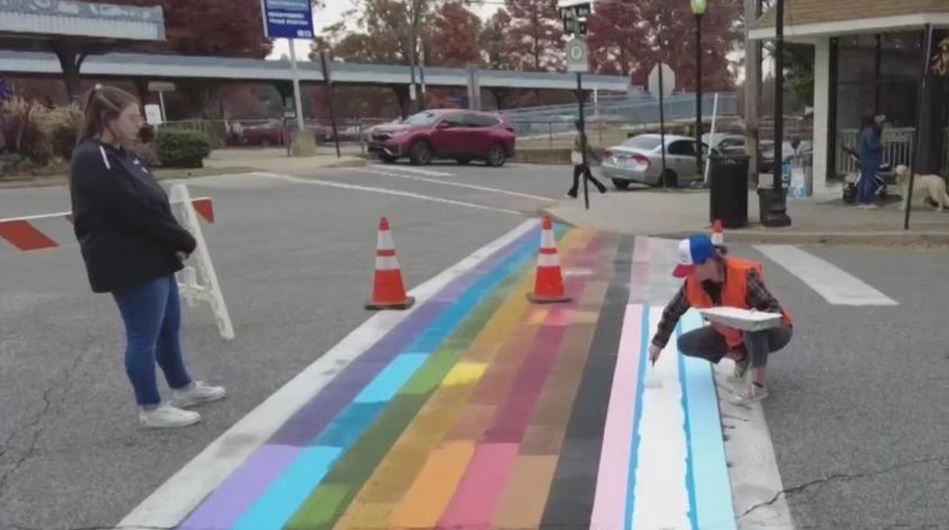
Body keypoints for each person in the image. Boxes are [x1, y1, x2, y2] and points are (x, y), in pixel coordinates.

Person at [70, 85, 226, 429]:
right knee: (143, 335)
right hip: (128, 262)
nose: (139, 122)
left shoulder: (125, 154)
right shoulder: (92, 158)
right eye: (132, 117)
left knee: (168, 327)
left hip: (155, 256)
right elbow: (131, 210)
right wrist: (181, 237)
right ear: (107, 118)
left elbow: (154, 201)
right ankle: (150, 406)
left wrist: (173, 239)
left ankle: (182, 387)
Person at [648, 234, 793, 404]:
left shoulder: (743, 275)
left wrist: (747, 319)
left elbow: (774, 311)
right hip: (732, 334)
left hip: (773, 331)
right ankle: (742, 358)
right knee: (687, 343)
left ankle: (758, 386)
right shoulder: (694, 283)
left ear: (708, 262)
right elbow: (673, 311)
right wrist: (657, 344)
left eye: (691, 269)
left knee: (754, 325)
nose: (689, 275)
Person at [567, 120, 607, 198]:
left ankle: (573, 192)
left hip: (581, 160)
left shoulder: (580, 135)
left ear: (577, 126)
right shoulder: (582, 135)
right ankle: (601, 188)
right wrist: (595, 157)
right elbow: (588, 147)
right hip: (583, 159)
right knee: (588, 176)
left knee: (577, 176)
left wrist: (574, 148)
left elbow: (582, 147)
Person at [857, 113, 883, 208]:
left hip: (864, 158)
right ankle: (868, 201)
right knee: (869, 179)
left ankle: (861, 200)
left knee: (863, 179)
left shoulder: (863, 130)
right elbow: (872, 146)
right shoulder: (870, 131)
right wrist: (880, 146)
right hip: (870, 158)